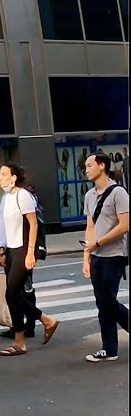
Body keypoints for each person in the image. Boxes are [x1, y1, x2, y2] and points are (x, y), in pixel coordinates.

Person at [0, 163, 60, 356]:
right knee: (13, 295)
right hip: (12, 250)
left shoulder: (23, 195)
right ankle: (46, 321)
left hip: (24, 249)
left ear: (13, 177)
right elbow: (3, 227)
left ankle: (21, 341)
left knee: (12, 294)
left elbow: (33, 224)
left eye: (3, 174)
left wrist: (31, 252)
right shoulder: (6, 198)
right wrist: (2, 251)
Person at [82, 153, 130, 362]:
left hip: (114, 256)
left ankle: (109, 349)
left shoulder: (118, 193)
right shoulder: (89, 195)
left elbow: (125, 225)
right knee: (102, 303)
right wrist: (86, 257)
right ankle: (109, 350)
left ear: (102, 166)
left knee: (107, 302)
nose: (86, 169)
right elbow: (90, 227)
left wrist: (100, 243)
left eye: (89, 165)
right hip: (96, 257)